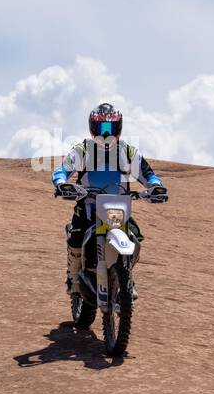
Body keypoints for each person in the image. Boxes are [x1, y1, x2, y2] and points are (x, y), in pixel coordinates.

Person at [52, 103, 167, 293]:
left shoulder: (128, 152)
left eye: (111, 128)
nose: (107, 134)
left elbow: (147, 174)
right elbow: (63, 169)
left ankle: (126, 275)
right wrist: (61, 183)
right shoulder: (82, 150)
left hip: (118, 207)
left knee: (135, 235)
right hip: (88, 205)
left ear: (119, 128)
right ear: (92, 128)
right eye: (102, 128)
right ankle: (73, 279)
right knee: (77, 234)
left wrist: (156, 186)